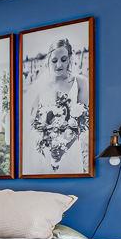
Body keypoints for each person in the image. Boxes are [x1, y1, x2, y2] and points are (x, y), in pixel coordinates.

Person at [22, 36, 89, 172]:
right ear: (49, 61)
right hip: (42, 145)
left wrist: (63, 147)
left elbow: (81, 120)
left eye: (63, 59)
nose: (59, 65)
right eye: (54, 60)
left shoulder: (81, 82)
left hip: (69, 146)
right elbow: (32, 118)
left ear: (70, 58)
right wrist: (43, 139)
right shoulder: (40, 85)